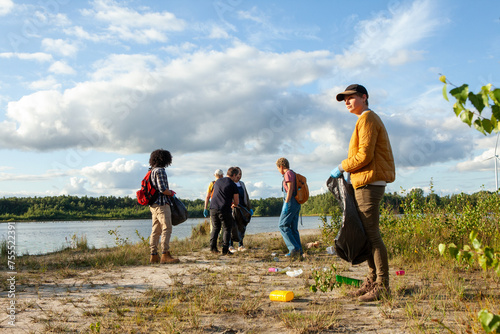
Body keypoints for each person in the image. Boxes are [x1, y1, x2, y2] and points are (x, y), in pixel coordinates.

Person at [331, 84, 395, 302]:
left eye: (351, 98)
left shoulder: (367, 118)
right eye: (344, 100)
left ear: (364, 97)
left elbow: (364, 156)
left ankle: (382, 286)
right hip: (364, 181)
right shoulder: (364, 119)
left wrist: (342, 167)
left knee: (372, 235)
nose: (347, 102)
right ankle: (372, 281)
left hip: (369, 183)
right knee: (368, 235)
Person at [148, 149, 180, 264]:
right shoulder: (160, 171)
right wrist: (171, 193)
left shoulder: (151, 171)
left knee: (155, 230)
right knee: (167, 228)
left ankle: (153, 255)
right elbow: (162, 189)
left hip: (153, 205)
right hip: (161, 204)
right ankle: (165, 254)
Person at [276, 157, 303, 258]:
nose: (278, 171)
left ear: (281, 166)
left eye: (278, 168)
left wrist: (286, 203)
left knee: (282, 225)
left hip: (291, 202)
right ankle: (299, 251)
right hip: (296, 202)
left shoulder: (288, 174)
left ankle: (293, 249)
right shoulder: (293, 173)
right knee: (293, 228)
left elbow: (290, 189)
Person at [209, 167, 240, 255]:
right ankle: (225, 250)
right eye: (237, 176)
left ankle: (212, 248)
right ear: (233, 175)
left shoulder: (218, 181)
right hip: (224, 209)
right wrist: (234, 204)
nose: (237, 178)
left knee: (215, 228)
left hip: (213, 208)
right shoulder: (233, 185)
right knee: (227, 228)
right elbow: (236, 202)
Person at [229, 167, 253, 252]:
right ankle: (230, 245)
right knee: (233, 226)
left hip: (243, 208)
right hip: (234, 208)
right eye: (238, 174)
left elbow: (246, 196)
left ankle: (241, 245)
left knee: (242, 227)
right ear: (235, 174)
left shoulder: (242, 184)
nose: (240, 176)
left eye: (241, 174)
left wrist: (249, 208)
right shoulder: (230, 183)